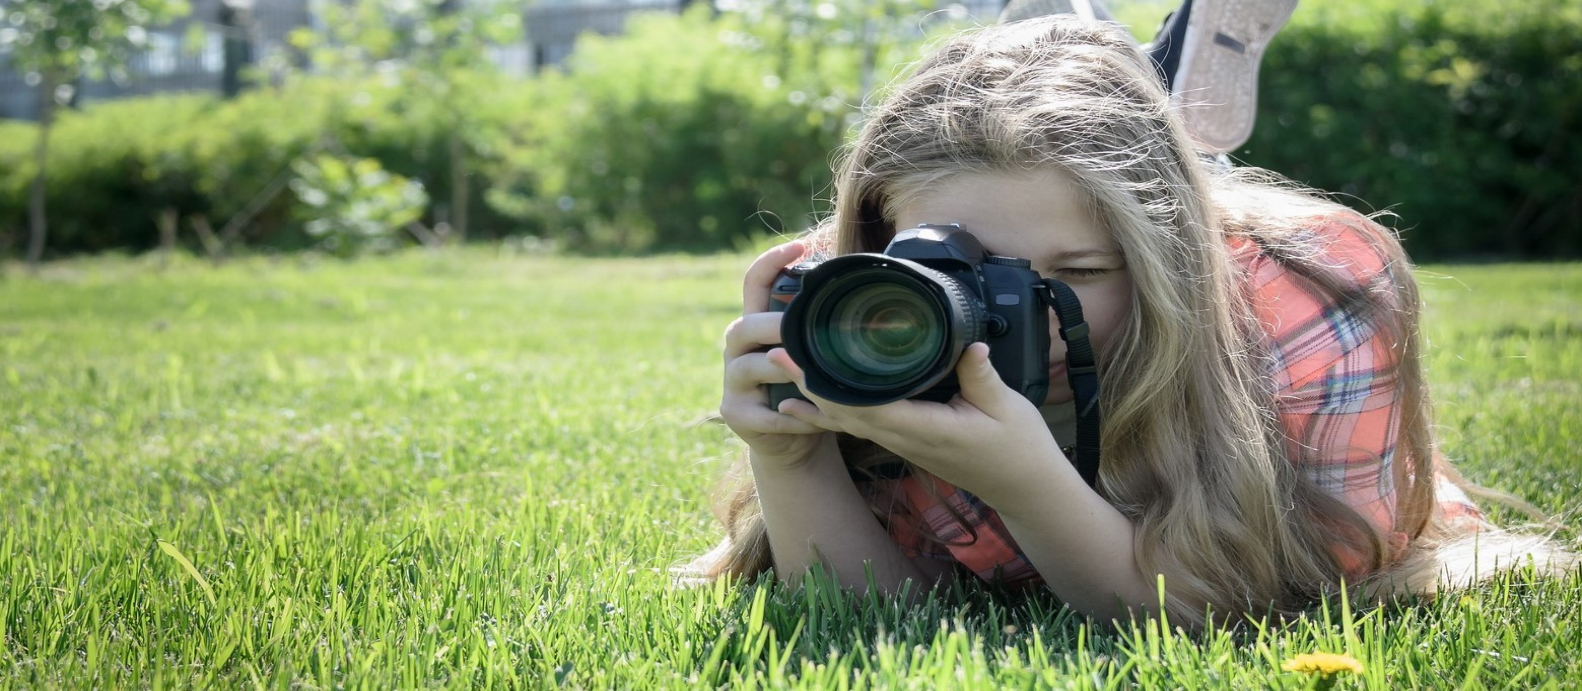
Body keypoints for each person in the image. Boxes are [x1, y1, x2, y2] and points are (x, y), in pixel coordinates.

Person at [693, 15, 1574, 625]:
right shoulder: (863, 308)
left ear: (1168, 261)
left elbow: (1222, 616)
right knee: (1052, 152)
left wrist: (1025, 480)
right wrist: (792, 450)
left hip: (1214, 265)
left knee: (1159, 154)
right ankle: (1101, 55)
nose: (1019, 308)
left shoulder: (1315, 298)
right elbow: (869, 617)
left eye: (1076, 273)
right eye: (959, 266)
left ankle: (1177, 95)